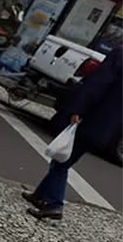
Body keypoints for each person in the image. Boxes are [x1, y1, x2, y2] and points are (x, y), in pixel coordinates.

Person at [23, 46, 122, 220]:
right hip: (109, 125)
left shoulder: (119, 55)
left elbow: (97, 85)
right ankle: (40, 195)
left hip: (93, 117)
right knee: (65, 158)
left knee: (61, 161)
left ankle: (54, 204)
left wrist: (78, 109)